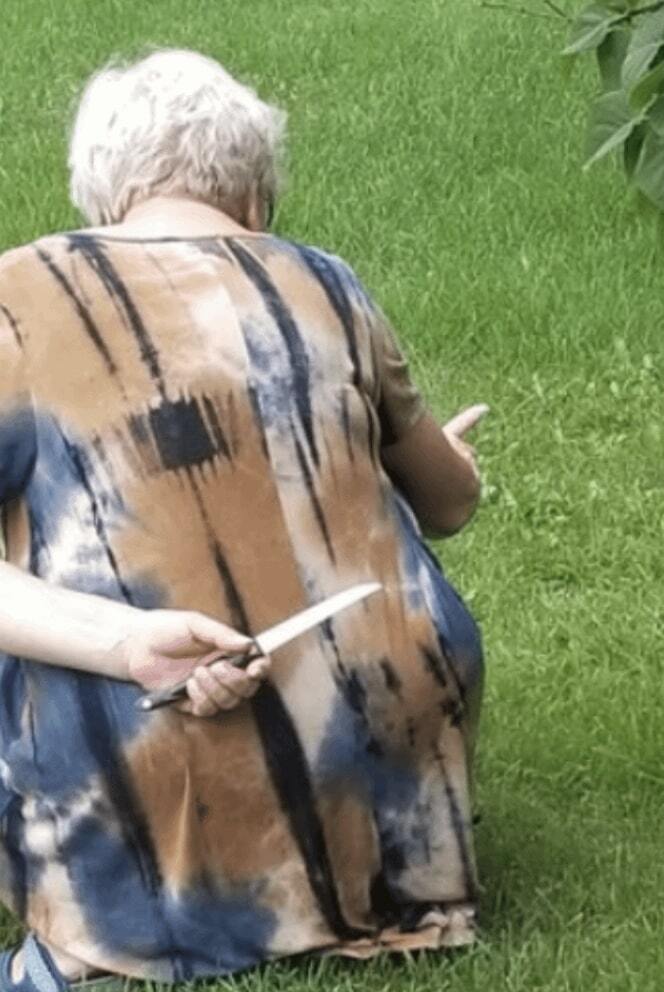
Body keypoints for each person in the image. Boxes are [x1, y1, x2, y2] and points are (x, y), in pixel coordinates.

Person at [0, 48, 486, 988]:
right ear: (254, 200)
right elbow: (452, 503)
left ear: (106, 199)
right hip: (397, 783)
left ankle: (90, 938)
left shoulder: (18, 297)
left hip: (151, 746)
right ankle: (364, 903)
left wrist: (126, 636)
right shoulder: (329, 282)